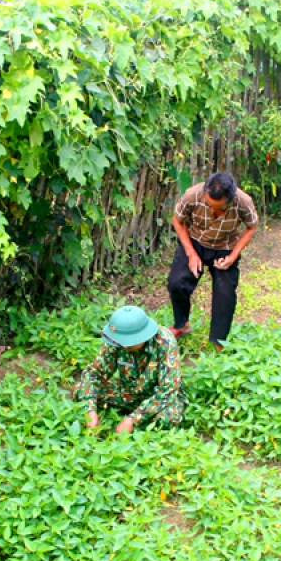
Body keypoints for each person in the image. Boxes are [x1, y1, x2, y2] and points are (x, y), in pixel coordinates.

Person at [167, 172, 258, 351]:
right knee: (176, 282)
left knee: (225, 293)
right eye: (210, 205)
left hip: (225, 246)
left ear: (231, 199)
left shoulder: (244, 202)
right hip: (196, 242)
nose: (215, 211)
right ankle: (181, 325)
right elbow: (178, 221)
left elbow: (251, 226)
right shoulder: (192, 195)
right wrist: (191, 253)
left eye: (220, 208)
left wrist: (233, 256)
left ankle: (218, 342)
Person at [73, 305, 184, 433]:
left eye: (128, 344)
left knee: (168, 418)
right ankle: (131, 411)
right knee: (80, 389)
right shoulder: (115, 340)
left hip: (156, 396)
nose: (123, 347)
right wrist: (90, 411)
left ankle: (140, 422)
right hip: (128, 390)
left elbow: (167, 390)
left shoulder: (165, 342)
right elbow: (93, 374)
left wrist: (133, 419)